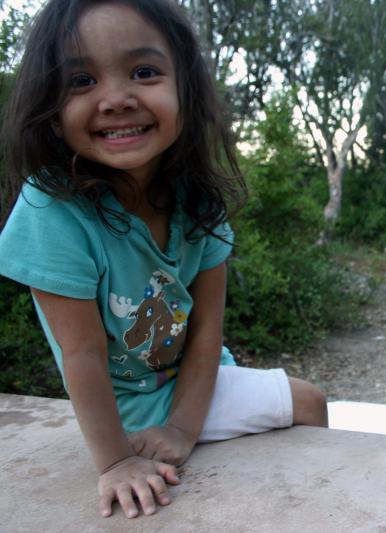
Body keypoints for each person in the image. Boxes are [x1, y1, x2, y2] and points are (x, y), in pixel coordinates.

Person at [0, 0, 327, 519]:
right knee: (305, 402)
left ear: (187, 92)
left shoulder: (198, 201)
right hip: (127, 402)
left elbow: (205, 331)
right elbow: (81, 356)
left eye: (144, 72)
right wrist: (114, 464)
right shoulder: (53, 209)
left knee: (309, 402)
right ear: (51, 112)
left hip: (193, 385)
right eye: (81, 81)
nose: (116, 98)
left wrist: (183, 428)